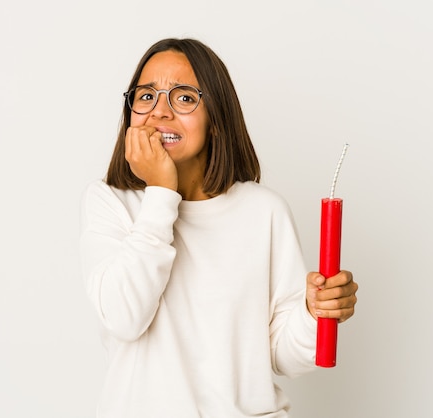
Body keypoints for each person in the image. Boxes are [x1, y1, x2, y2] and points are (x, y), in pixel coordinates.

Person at [79, 37, 358, 418]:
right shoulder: (110, 202)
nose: (159, 112)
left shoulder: (264, 212)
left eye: (184, 97)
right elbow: (124, 318)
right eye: (146, 96)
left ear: (216, 119)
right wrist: (162, 193)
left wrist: (314, 312)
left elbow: (282, 356)